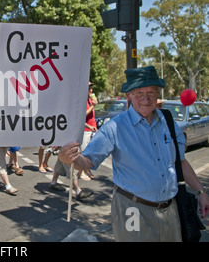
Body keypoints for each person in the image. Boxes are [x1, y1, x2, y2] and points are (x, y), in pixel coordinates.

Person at [59, 66, 209, 242]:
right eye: (139, 93)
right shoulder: (115, 127)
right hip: (133, 210)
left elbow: (181, 162)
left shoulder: (168, 122)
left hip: (171, 209)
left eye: (151, 93)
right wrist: (70, 159)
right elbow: (87, 162)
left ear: (158, 94)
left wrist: (201, 191)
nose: (146, 99)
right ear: (129, 95)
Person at [81, 82, 98, 180]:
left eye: (91, 88)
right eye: (88, 88)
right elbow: (83, 116)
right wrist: (92, 106)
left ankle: (87, 169)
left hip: (92, 129)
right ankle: (82, 171)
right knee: (84, 152)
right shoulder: (84, 101)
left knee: (91, 152)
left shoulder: (90, 100)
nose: (91, 90)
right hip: (85, 130)